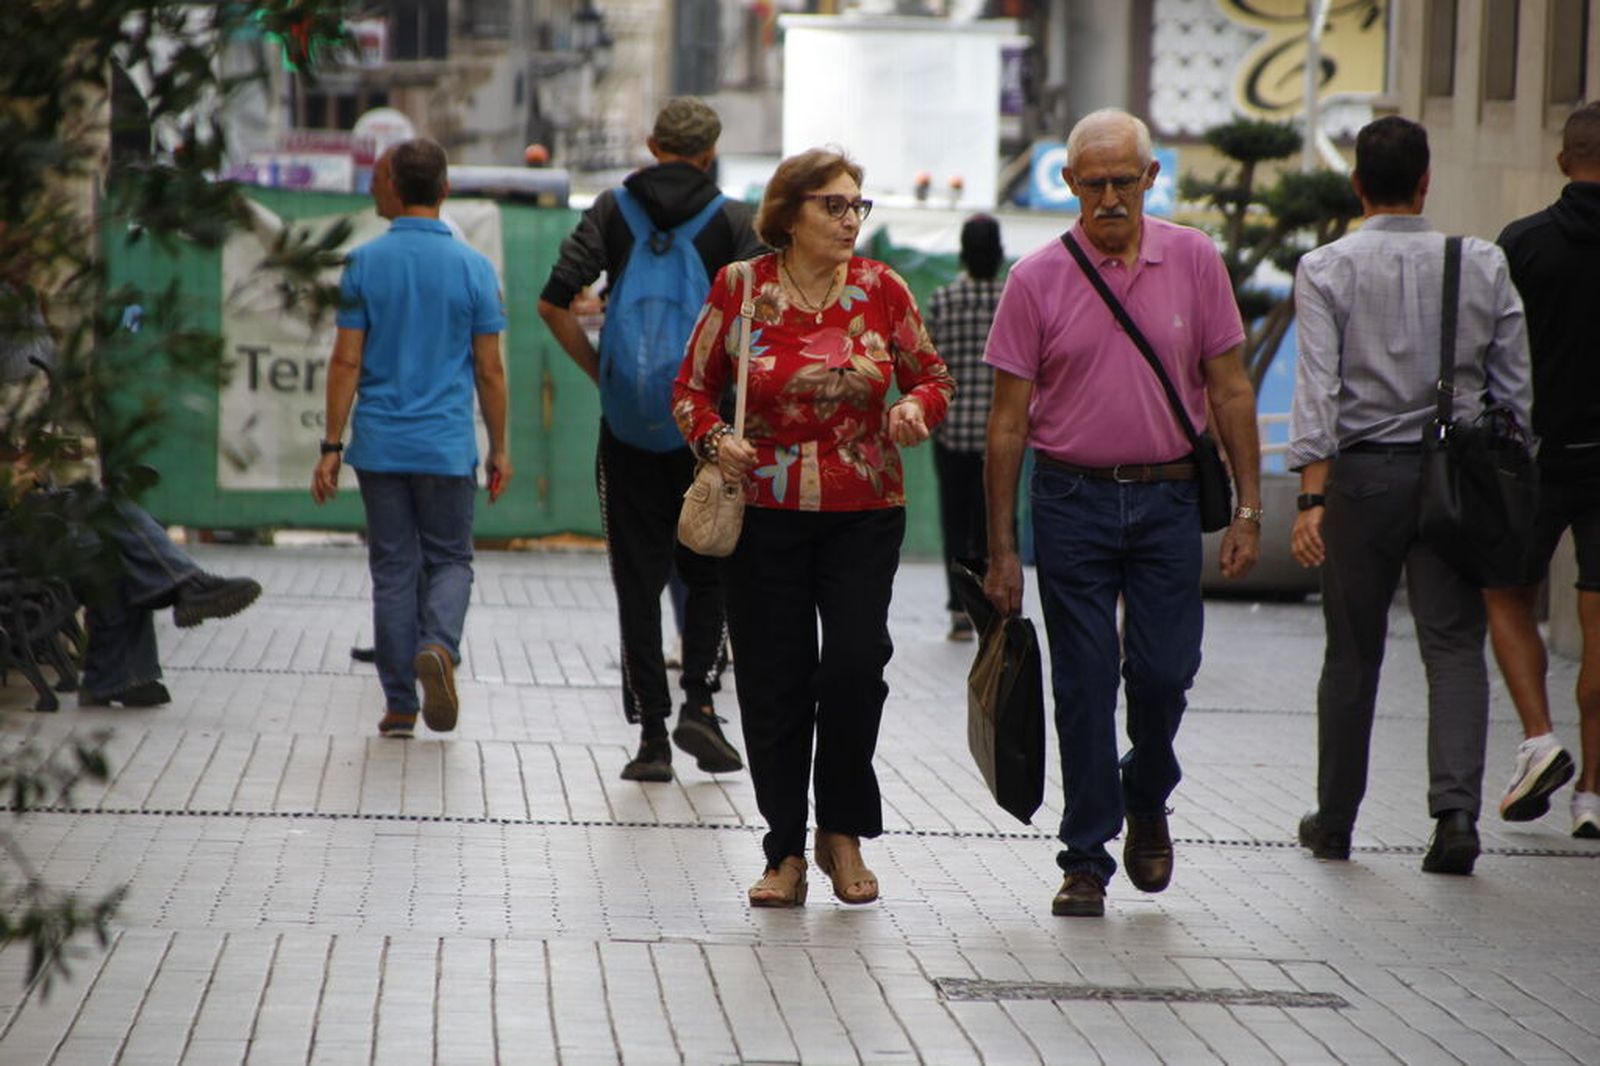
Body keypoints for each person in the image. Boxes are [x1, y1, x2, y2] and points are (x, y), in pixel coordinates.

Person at [983, 108, 1262, 918]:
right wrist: (1001, 547)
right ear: (1068, 185)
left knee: (1166, 672)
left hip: (1172, 494)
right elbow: (1006, 424)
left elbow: (1232, 388)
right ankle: (1086, 855)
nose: (1109, 197)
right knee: (1084, 679)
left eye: (1123, 180)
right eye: (1093, 182)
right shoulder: (1035, 278)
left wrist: (1248, 510)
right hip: (1070, 498)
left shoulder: (1194, 258)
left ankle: (1147, 789)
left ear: (1150, 178)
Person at [673, 148, 954, 908]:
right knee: (773, 682)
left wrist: (912, 410)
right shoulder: (742, 289)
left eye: (858, 206)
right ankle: (784, 851)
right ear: (789, 212)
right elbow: (691, 388)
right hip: (762, 513)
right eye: (833, 205)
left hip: (864, 511)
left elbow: (932, 377)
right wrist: (712, 440)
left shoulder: (882, 289)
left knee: (857, 667)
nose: (849, 220)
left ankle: (843, 831)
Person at [1289, 116, 1533, 875]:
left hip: (1362, 478)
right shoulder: (1482, 262)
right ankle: (1456, 816)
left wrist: (1310, 498)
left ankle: (1334, 822)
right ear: (1427, 181)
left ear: (1357, 184)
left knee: (1352, 651)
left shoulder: (1326, 267)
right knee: (1454, 646)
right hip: (1454, 475)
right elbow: (1517, 393)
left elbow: (1318, 391)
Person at [537, 97, 761, 782]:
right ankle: (699, 700)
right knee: (712, 565)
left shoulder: (611, 209)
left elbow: (554, 299)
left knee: (636, 580)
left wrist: (601, 371)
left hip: (628, 427)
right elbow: (756, 327)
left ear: (652, 143)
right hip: (706, 429)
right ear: (708, 150)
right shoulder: (733, 222)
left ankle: (653, 740)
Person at [311, 137, 511, 740]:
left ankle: (400, 704)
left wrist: (330, 444)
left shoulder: (365, 264)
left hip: (380, 446)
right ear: (444, 189)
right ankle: (439, 647)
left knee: (393, 568)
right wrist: (500, 447)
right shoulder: (475, 268)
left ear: (396, 187)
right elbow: (490, 370)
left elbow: (346, 362)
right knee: (451, 559)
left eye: (378, 178)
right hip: (447, 445)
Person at [1487, 101, 1600, 839]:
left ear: (1564, 161)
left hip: (1532, 459)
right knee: (1599, 622)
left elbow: (1491, 357)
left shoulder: (1520, 246)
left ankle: (1540, 737)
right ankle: (1593, 794)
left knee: (1503, 593)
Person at [926, 214, 1006, 641]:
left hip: (952, 433)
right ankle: (991, 603)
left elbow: (929, 365)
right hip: (999, 437)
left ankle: (959, 610)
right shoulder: (1011, 300)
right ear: (997, 254)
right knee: (994, 521)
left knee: (954, 522)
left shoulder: (943, 299)